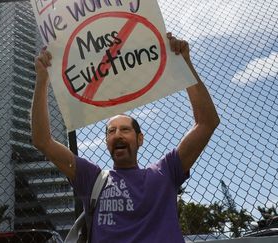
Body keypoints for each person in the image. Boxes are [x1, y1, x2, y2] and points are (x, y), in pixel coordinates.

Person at [31, 33, 220, 242]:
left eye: (125, 129)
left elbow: (207, 123)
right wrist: (42, 80)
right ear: (106, 143)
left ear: (140, 139)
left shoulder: (166, 172)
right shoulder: (92, 178)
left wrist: (185, 64)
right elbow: (42, 140)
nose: (117, 135)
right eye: (111, 131)